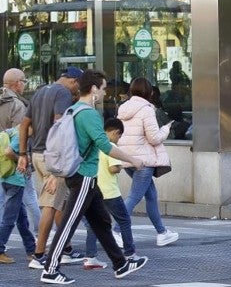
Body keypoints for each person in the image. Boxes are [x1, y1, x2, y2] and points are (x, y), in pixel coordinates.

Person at [37, 69, 148, 284]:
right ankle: (50, 269)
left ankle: (121, 264)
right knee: (69, 223)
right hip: (84, 176)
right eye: (104, 88)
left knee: (102, 222)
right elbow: (105, 145)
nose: (106, 93)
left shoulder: (74, 110)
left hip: (84, 176)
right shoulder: (89, 114)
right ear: (94, 89)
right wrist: (133, 160)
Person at [17, 67, 86, 269]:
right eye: (78, 86)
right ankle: (39, 255)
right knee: (50, 204)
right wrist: (61, 162)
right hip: (53, 156)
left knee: (58, 203)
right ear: (73, 81)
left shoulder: (40, 91)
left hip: (37, 154)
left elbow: (24, 125)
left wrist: (23, 154)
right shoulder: (63, 93)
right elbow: (60, 125)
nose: (77, 91)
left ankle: (66, 249)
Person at [116, 77, 179, 246]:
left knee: (151, 195)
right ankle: (115, 231)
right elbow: (154, 138)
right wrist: (165, 129)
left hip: (127, 158)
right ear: (148, 92)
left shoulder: (123, 108)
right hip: (143, 161)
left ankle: (162, 232)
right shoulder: (146, 109)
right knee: (135, 197)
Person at [83, 118, 140, 269]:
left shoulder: (94, 144)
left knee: (95, 225)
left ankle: (90, 257)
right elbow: (113, 168)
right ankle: (130, 253)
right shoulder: (110, 146)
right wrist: (122, 165)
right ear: (115, 132)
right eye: (119, 136)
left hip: (95, 191)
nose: (118, 139)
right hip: (110, 192)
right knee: (124, 221)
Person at [0, 68, 40, 235]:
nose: (24, 85)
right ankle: (41, 235)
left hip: (1, 159)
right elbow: (22, 134)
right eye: (23, 81)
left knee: (5, 201)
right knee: (30, 197)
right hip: (14, 158)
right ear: (17, 84)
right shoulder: (17, 105)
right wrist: (24, 158)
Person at [0, 127, 36, 264]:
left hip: (5, 177)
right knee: (9, 219)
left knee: (22, 219)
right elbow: (8, 152)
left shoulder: (10, 131)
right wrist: (22, 161)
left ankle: (31, 249)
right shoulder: (21, 134)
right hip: (15, 181)